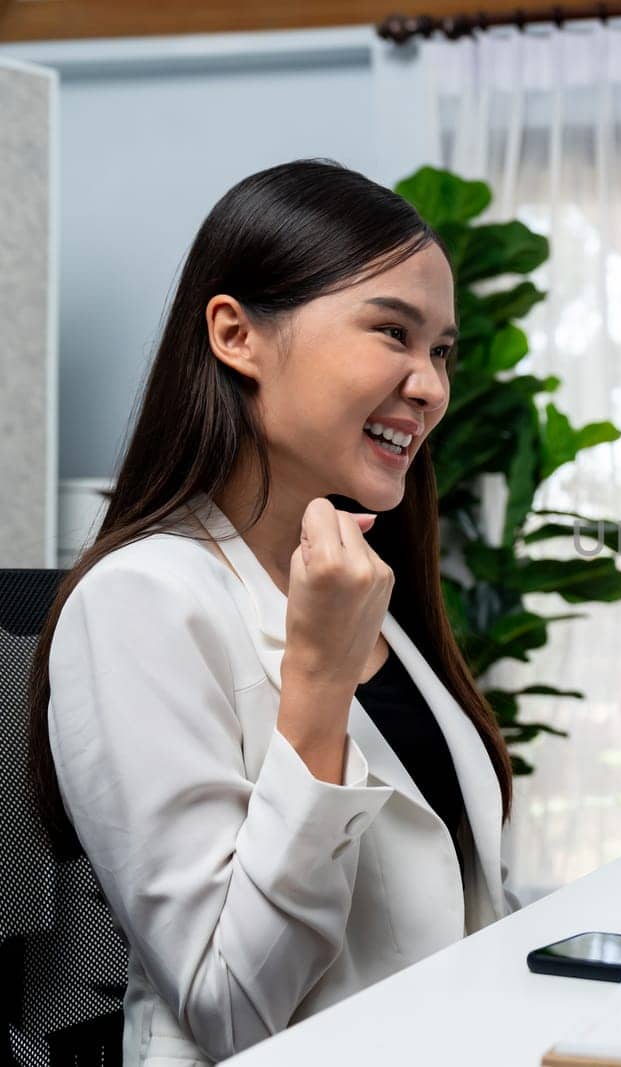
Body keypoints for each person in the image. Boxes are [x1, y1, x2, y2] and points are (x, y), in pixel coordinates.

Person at [25, 158, 518, 1066]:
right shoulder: (140, 603)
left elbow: (451, 910)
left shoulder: (364, 588)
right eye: (392, 332)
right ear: (237, 334)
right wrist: (320, 680)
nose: (430, 386)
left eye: (440, 350)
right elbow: (230, 1006)